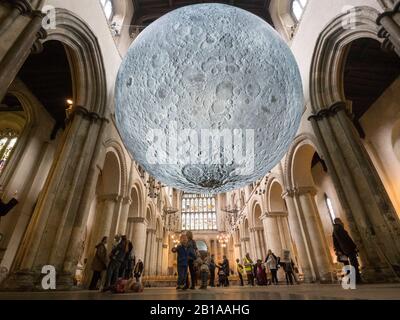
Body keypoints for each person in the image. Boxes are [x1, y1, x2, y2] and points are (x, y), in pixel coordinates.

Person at [333, 218, 362, 283]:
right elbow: (347, 239)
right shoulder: (340, 228)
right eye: (341, 221)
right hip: (348, 248)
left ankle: (351, 279)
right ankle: (357, 279)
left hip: (342, 250)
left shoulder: (334, 230)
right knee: (354, 264)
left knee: (347, 266)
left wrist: (338, 250)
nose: (342, 222)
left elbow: (335, 242)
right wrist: (354, 246)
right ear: (339, 222)